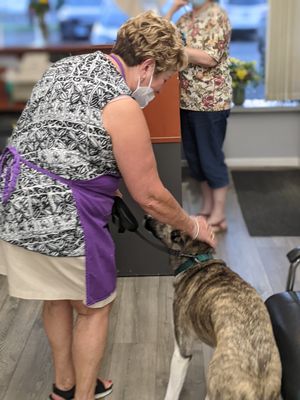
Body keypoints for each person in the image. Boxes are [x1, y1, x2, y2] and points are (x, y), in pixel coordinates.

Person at [0, 11, 216, 400]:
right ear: (148, 66)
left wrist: (98, 177)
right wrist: (193, 226)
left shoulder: (65, 66)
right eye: (164, 81)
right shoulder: (122, 104)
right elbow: (149, 194)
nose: (160, 90)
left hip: (14, 203)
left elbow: (54, 135)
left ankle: (64, 387)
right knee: (93, 309)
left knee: (57, 294)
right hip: (63, 217)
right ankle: (83, 396)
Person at [165, 0, 232, 233]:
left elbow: (210, 58)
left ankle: (219, 214)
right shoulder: (185, 17)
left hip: (211, 101)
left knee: (210, 158)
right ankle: (207, 207)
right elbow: (161, 37)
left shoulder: (217, 16)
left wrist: (178, 51)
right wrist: (173, 9)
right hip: (185, 100)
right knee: (195, 160)